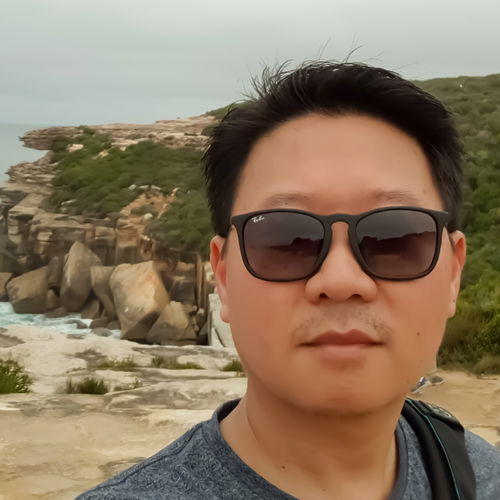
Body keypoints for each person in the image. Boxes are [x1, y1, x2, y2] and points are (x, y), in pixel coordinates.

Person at [78, 62, 500, 499]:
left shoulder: (478, 475)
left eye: (393, 237)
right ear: (223, 276)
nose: (340, 280)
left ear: (453, 273)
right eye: (286, 240)